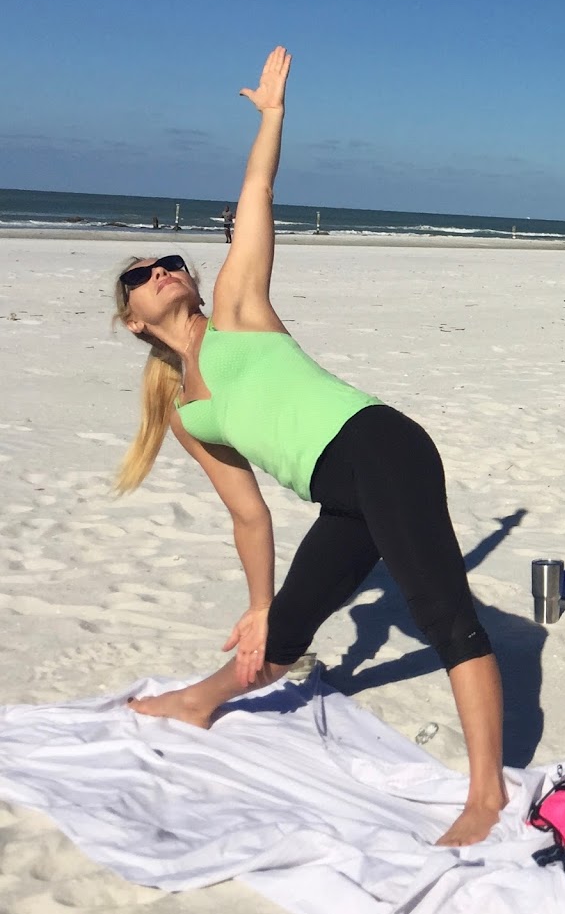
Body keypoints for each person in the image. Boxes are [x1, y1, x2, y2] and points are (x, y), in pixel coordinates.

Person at [113, 47, 507, 845]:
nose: (162, 270)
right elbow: (248, 514)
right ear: (133, 320)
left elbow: (257, 192)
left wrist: (272, 118)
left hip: (381, 445)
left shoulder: (237, 306)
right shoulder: (189, 412)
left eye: (168, 262)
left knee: (444, 613)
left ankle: (487, 795)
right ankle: (198, 702)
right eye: (143, 275)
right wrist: (258, 602)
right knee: (283, 632)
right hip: (340, 491)